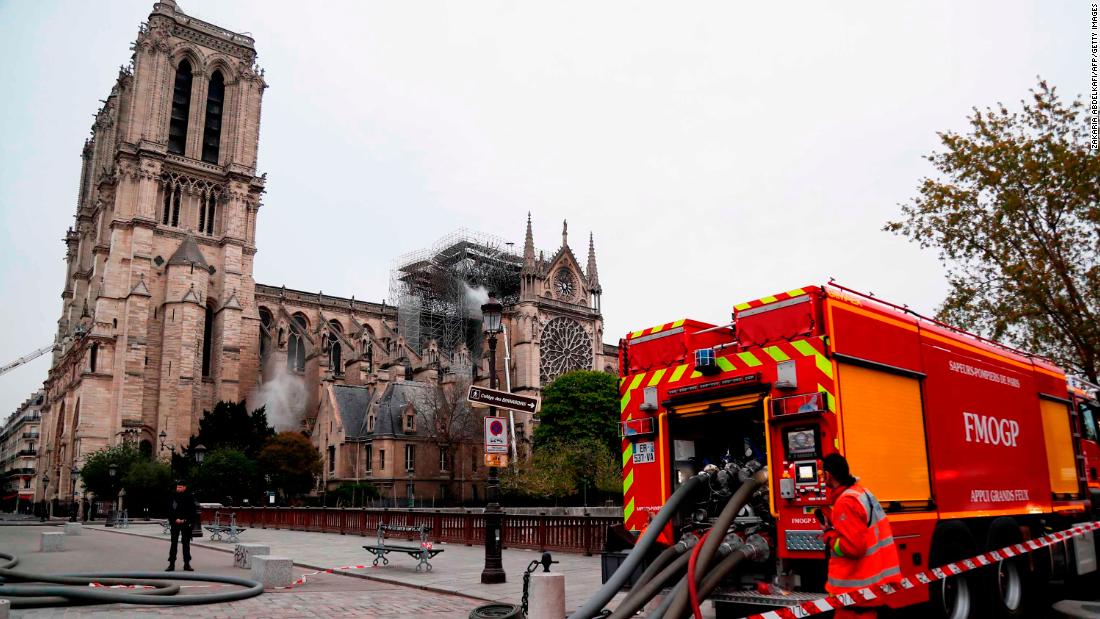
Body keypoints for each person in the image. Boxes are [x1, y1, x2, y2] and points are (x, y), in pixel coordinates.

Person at [820, 453, 901, 618]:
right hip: (868, 588)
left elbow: (854, 547)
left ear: (828, 475)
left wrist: (829, 536)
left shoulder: (845, 503)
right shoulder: (861, 492)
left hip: (853, 595)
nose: (822, 479)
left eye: (822, 474)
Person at [166, 481, 197, 572]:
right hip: (175, 523)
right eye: (177, 487)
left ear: (184, 487)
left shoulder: (189, 497)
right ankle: (171, 564)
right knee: (173, 543)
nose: (178, 489)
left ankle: (187, 564)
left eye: (180, 487)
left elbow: (192, 511)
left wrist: (186, 520)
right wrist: (174, 519)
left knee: (186, 544)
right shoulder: (173, 497)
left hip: (186, 523)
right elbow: (169, 509)